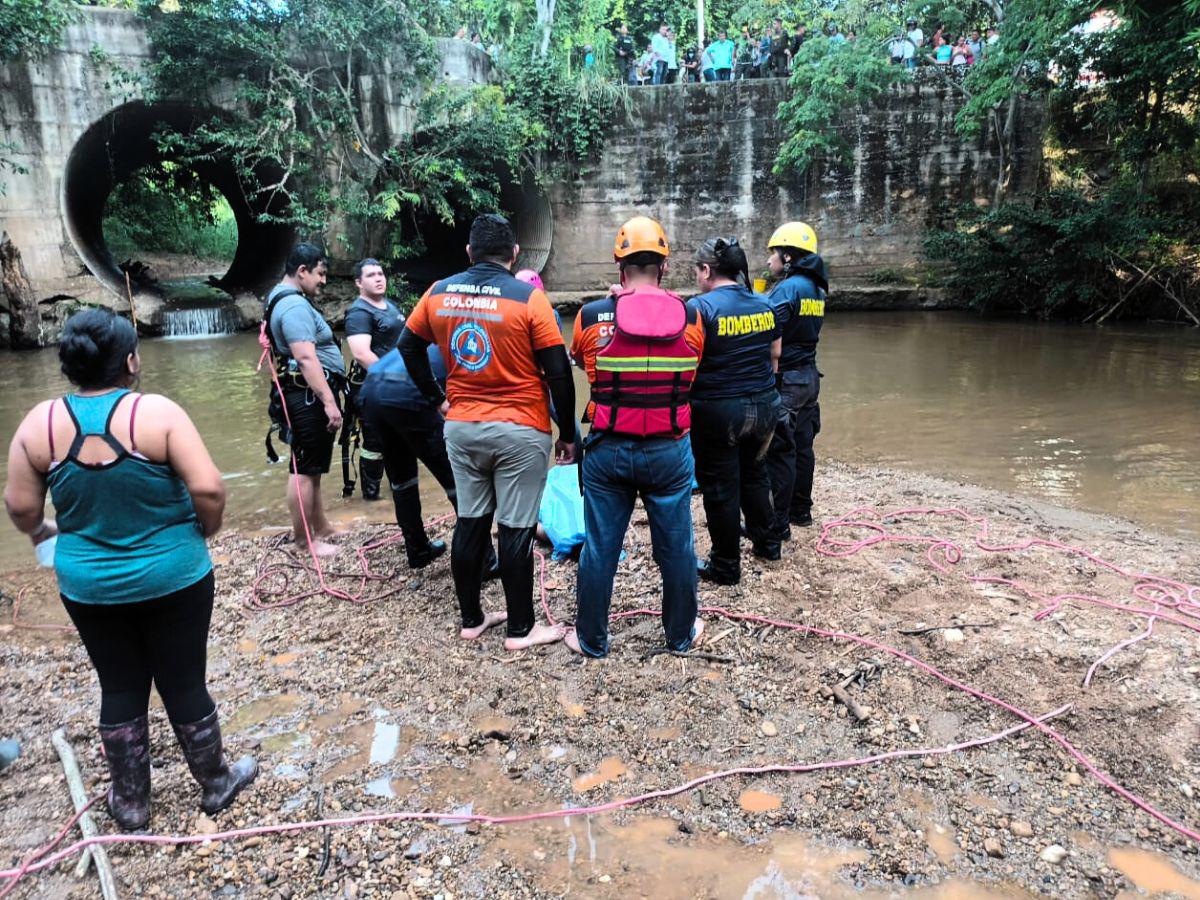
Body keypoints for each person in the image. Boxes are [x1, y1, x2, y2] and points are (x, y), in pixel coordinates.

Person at [3, 309, 255, 829]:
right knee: (184, 680)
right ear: (132, 361)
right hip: (175, 575)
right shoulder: (156, 414)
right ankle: (214, 783)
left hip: (88, 584)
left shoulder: (39, 424)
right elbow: (209, 488)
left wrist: (44, 536)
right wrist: (205, 530)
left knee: (119, 684)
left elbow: (22, 508)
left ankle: (132, 803)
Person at [398, 214, 577, 651]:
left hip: (462, 427)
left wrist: (436, 398)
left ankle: (472, 619)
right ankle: (521, 630)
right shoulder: (529, 299)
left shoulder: (438, 293)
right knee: (515, 529)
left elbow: (407, 346)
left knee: (471, 522)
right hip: (520, 429)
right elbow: (558, 373)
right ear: (514, 255)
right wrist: (568, 432)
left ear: (469, 253)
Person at [566, 217, 706, 658]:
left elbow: (579, 361)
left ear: (619, 267)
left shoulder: (590, 316)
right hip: (668, 449)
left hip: (608, 449)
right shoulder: (691, 317)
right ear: (663, 267)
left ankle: (591, 640)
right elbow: (692, 372)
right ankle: (680, 636)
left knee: (600, 547)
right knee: (677, 546)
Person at [686, 238, 782, 585]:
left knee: (720, 487)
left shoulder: (699, 308)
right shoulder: (765, 303)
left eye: (697, 271)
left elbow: (688, 362)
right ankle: (768, 544)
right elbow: (775, 356)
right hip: (765, 405)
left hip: (719, 410)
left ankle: (726, 565)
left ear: (707, 270)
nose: (696, 278)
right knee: (756, 474)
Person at [263, 242, 346, 558]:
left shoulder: (280, 298)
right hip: (308, 395)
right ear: (302, 271)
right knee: (302, 470)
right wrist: (328, 401)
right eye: (320, 274)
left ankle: (321, 527)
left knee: (312, 468)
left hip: (301, 393)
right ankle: (303, 541)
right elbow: (306, 358)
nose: (323, 281)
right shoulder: (295, 307)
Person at [762, 222, 828, 538]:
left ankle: (779, 523)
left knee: (780, 450)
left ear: (787, 256)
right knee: (803, 447)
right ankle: (802, 511)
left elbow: (767, 330)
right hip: (809, 378)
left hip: (787, 379)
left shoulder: (788, 289)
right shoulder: (816, 288)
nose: (768, 261)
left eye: (773, 254)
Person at [344, 258, 405, 501]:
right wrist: (392, 377)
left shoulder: (391, 306)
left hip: (398, 384)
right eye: (371, 275)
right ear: (359, 282)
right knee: (374, 444)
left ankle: (399, 491)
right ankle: (371, 498)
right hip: (374, 387)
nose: (379, 278)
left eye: (381, 273)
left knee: (399, 440)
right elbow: (361, 354)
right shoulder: (359, 312)